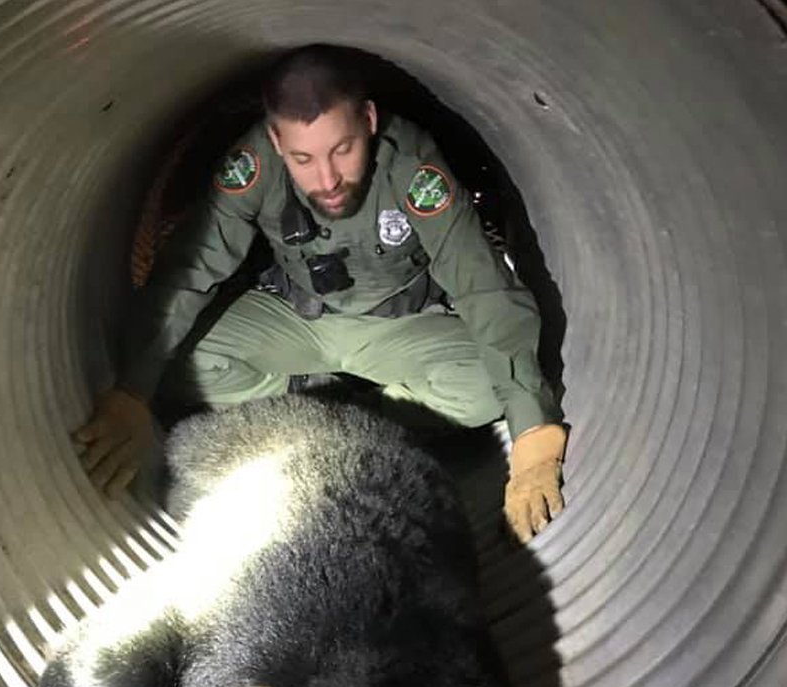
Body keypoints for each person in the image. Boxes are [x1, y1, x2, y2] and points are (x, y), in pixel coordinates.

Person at [73, 45, 568, 542]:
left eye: (343, 149)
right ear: (275, 139)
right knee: (180, 365)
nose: (327, 179)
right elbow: (193, 264)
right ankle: (321, 396)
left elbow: (482, 283)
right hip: (297, 318)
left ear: (369, 120)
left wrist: (533, 433)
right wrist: (131, 391)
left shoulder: (413, 167)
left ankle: (342, 411)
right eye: (303, 159)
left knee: (486, 389)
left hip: (398, 326)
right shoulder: (254, 165)